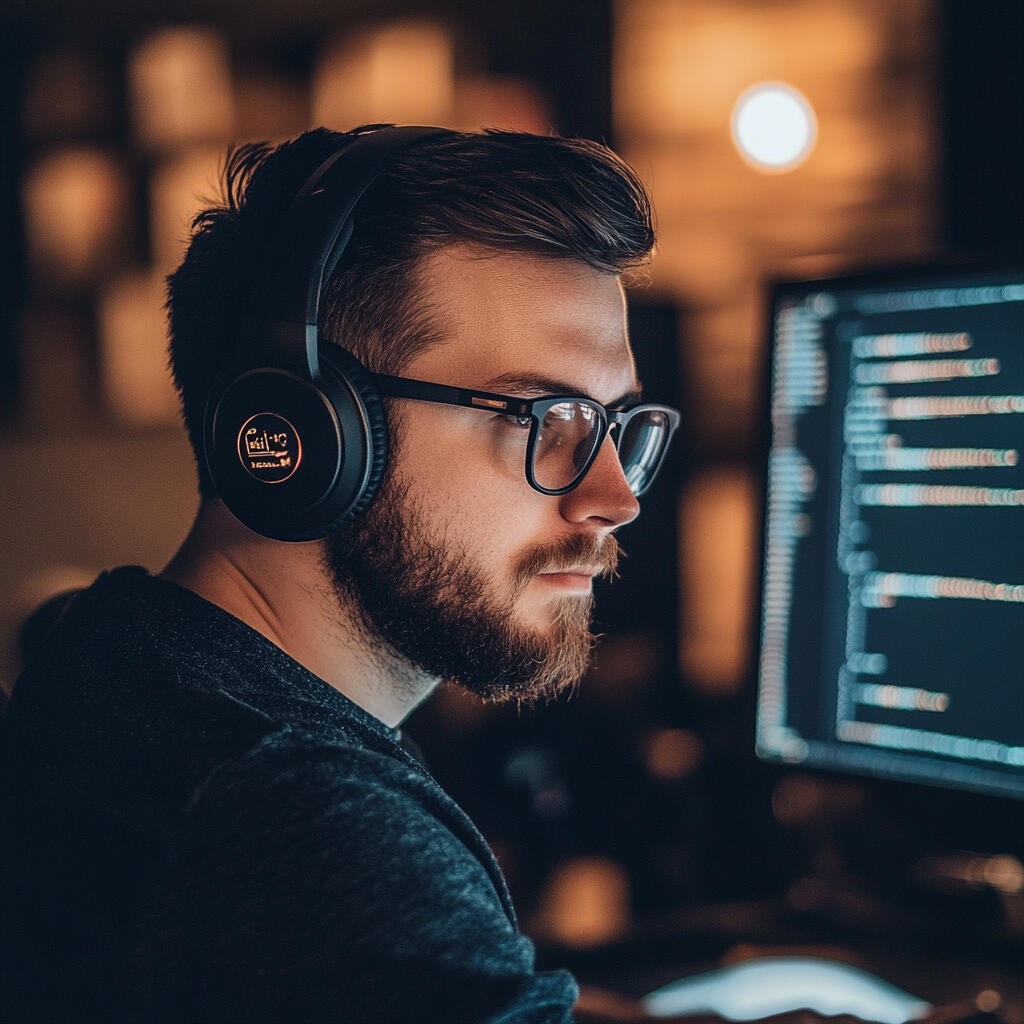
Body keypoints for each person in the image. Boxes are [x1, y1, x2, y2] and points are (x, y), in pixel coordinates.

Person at [1, 123, 683, 1022]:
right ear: (304, 434)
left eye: (618, 424)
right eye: (543, 415)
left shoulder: (113, 655)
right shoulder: (302, 821)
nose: (614, 496)